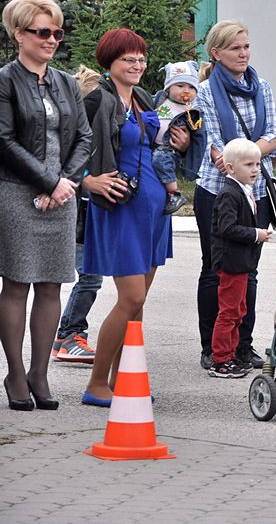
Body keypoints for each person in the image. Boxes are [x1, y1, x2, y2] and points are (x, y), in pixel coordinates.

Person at [0, 0, 92, 410]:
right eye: (42, 32)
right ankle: (15, 374)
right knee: (17, 284)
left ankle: (40, 373)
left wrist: (65, 183)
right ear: (19, 34)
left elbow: (85, 137)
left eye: (57, 32)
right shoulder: (5, 81)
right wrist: (49, 181)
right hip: (17, 193)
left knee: (52, 284)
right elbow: (4, 141)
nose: (52, 39)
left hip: (62, 195)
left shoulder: (67, 83)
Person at [80, 28, 174, 407]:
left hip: (153, 211)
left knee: (138, 303)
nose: (137, 65)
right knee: (131, 297)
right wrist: (88, 180)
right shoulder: (97, 100)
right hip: (121, 210)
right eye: (128, 59)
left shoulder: (143, 98)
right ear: (109, 62)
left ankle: (123, 379)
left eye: (141, 58)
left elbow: (155, 147)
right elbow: (68, 149)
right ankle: (96, 384)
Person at [194, 20, 276, 371]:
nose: (243, 53)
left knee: (249, 271)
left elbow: (274, 136)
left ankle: (243, 345)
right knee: (215, 270)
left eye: (246, 46)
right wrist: (249, 154)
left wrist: (245, 156)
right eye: (235, 48)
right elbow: (215, 146)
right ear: (216, 53)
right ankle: (213, 348)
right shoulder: (204, 91)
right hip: (218, 190)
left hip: (257, 192)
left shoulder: (262, 86)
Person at [51, 65, 104, 364]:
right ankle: (69, 335)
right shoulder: (74, 134)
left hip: (87, 216)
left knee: (91, 277)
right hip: (77, 217)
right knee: (90, 277)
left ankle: (66, 337)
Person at [208, 138, 271, 378]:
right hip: (231, 262)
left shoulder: (243, 190)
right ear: (230, 167)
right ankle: (220, 360)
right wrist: (256, 234)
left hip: (241, 262)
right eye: (248, 165)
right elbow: (227, 228)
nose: (255, 170)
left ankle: (231, 355)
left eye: (257, 164)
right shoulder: (229, 194)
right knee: (229, 312)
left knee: (238, 310)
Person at [152, 60, 203, 215]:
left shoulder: (192, 112)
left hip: (169, 149)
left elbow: (199, 138)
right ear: (168, 88)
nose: (186, 91)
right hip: (153, 145)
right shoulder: (159, 100)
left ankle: (174, 193)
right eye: (180, 86)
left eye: (191, 87)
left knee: (160, 159)